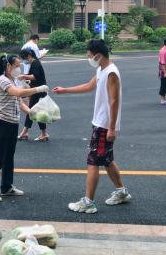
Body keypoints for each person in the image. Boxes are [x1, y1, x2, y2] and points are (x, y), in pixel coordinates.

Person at [52, 40, 130, 214]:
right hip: (101, 122)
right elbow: (89, 86)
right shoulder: (101, 69)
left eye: (89, 56)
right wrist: (65, 90)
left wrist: (111, 128)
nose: (89, 59)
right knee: (107, 160)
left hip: (104, 125)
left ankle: (88, 202)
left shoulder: (111, 73)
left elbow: (114, 101)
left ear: (98, 55)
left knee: (93, 161)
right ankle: (121, 192)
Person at [0, 54, 49, 202]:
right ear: (8, 66)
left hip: (13, 123)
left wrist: (32, 112)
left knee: (9, 156)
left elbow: (20, 102)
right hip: (1, 123)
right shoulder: (2, 80)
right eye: (17, 66)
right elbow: (19, 93)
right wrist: (38, 89)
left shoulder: (12, 80)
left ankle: (6, 187)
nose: (19, 68)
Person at [17, 49, 49, 141]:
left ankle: (24, 132)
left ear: (28, 56)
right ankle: (44, 133)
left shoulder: (35, 63)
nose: (24, 61)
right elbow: (37, 77)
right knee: (36, 111)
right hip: (39, 89)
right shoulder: (35, 62)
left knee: (31, 110)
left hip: (38, 90)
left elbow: (35, 76)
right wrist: (30, 80)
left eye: (23, 58)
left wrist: (24, 76)